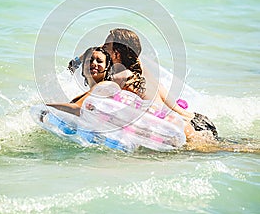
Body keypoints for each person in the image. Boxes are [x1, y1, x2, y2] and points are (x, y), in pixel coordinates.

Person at [68, 28, 218, 140]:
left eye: (106, 48)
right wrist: (77, 61)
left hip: (184, 128)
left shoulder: (121, 77)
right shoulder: (140, 69)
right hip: (195, 119)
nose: (103, 51)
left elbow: (89, 99)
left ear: (117, 53)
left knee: (226, 150)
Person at [47, 47, 112, 115]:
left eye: (99, 61)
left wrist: (46, 107)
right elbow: (73, 105)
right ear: (83, 67)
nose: (94, 63)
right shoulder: (92, 92)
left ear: (107, 67)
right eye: (89, 60)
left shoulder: (106, 86)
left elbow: (77, 109)